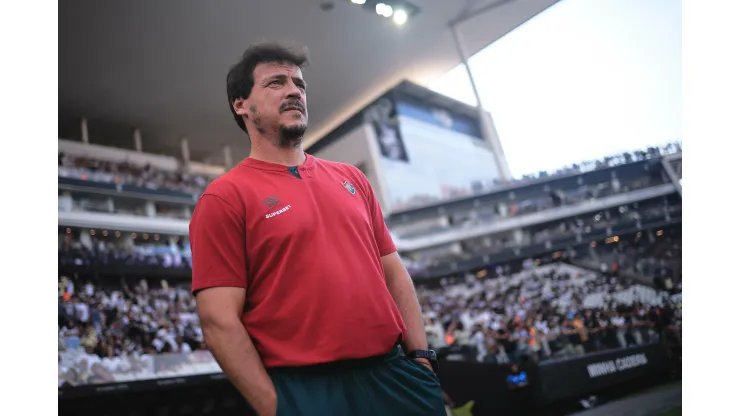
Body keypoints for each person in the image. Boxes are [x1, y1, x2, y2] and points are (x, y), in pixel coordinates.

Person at [190, 43, 445, 416]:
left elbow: (394, 273)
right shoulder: (224, 197)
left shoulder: (352, 178)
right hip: (307, 390)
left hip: (394, 376)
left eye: (299, 84)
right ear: (241, 105)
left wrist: (420, 359)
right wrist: (276, 407)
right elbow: (218, 320)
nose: (294, 90)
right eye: (276, 83)